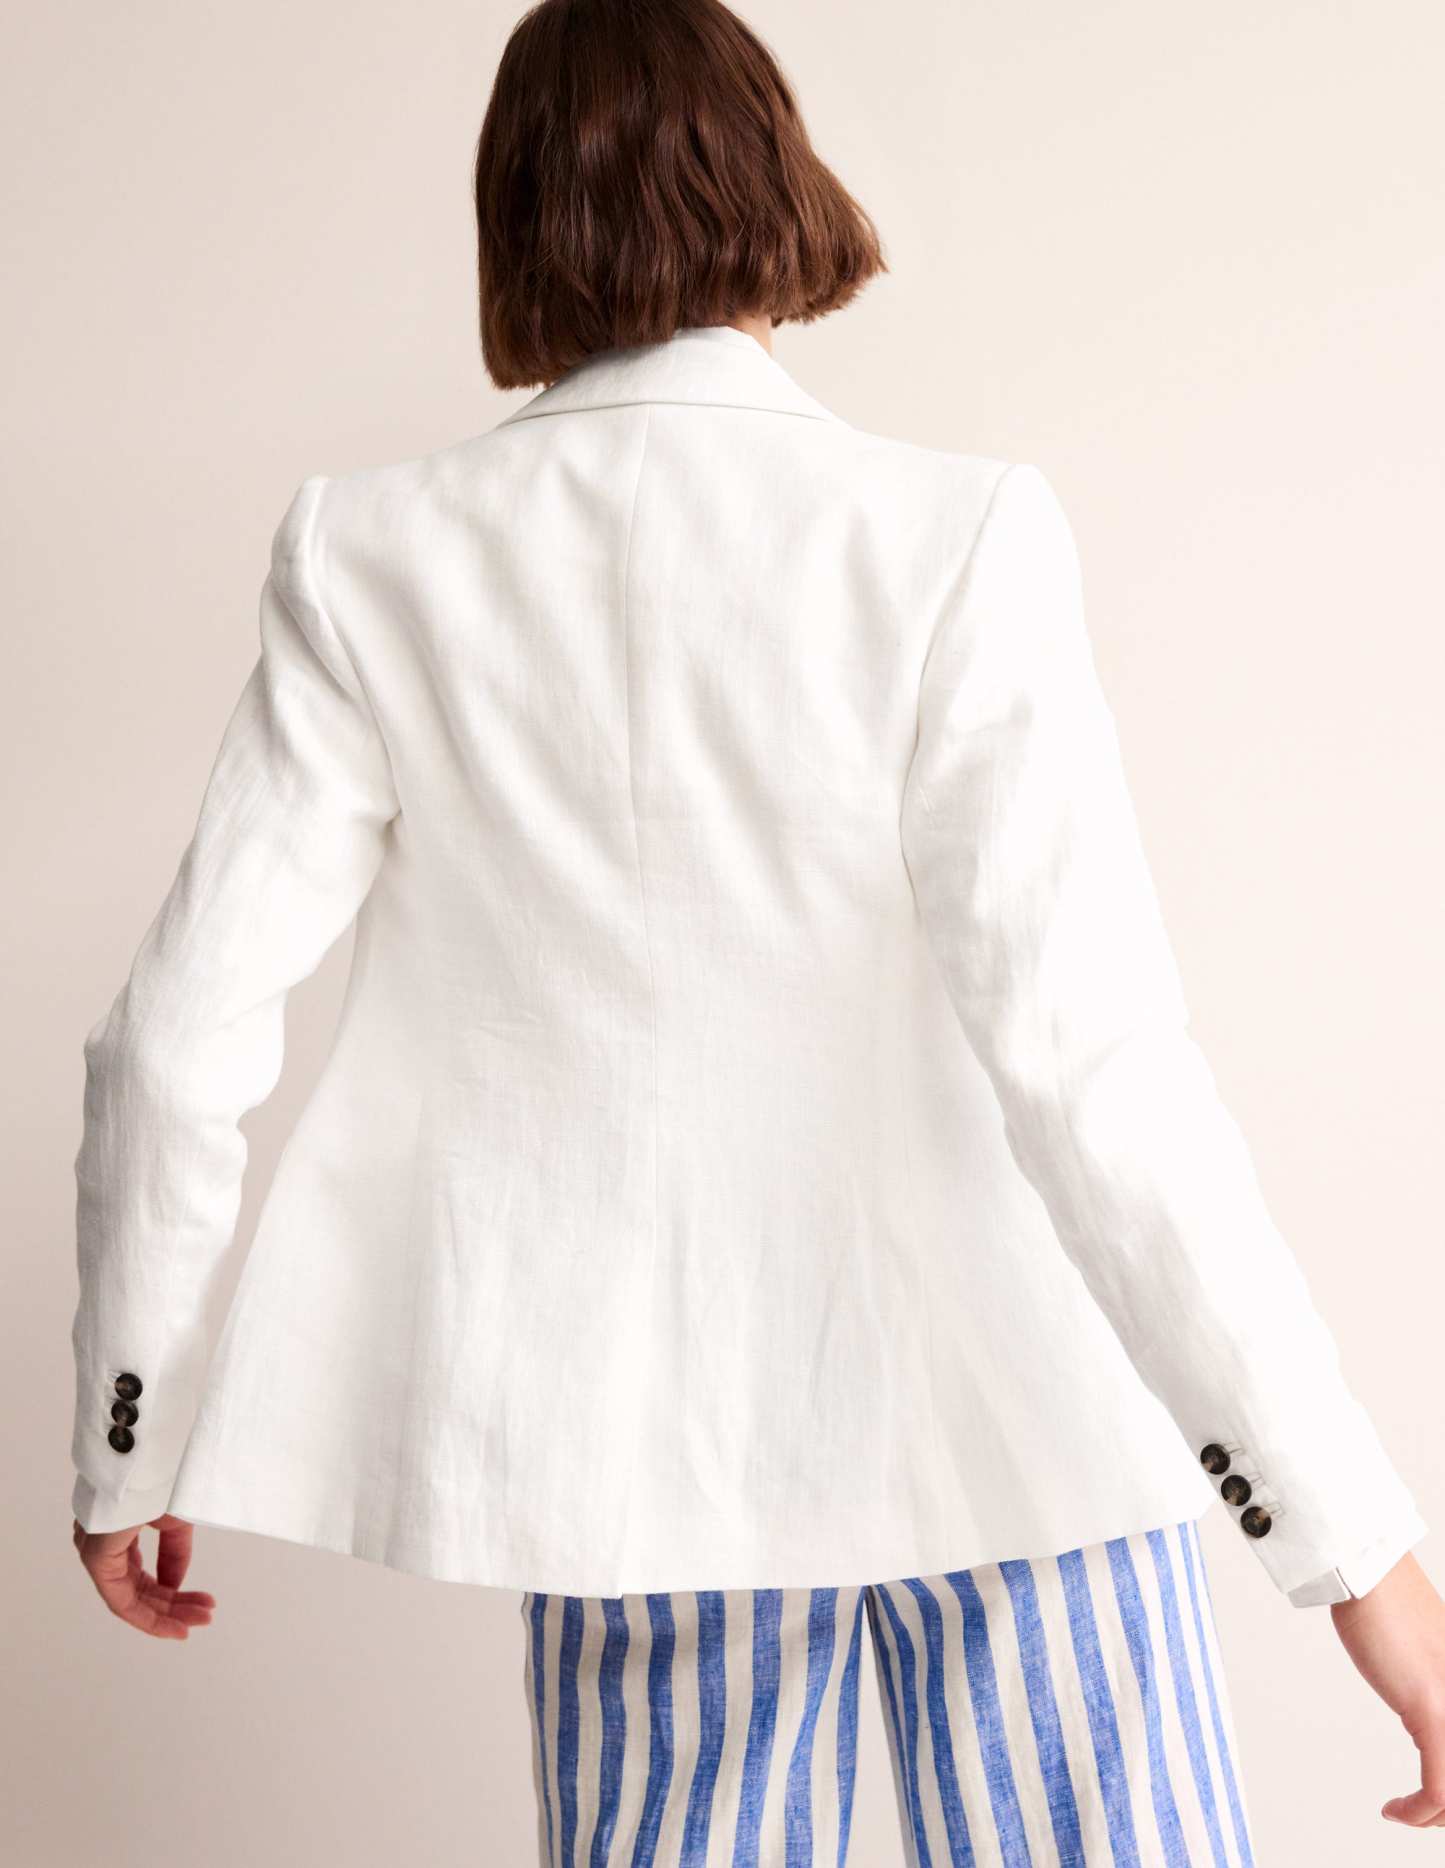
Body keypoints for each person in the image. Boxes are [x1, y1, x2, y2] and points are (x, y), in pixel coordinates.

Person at [69, 0, 1441, 1858]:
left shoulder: (371, 555)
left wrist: (127, 1438)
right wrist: (1353, 1553)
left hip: (635, 1479)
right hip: (1012, 1429)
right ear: (775, 176)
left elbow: (170, 1044)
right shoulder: (950, 537)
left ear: (516, 215)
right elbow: (1094, 1073)